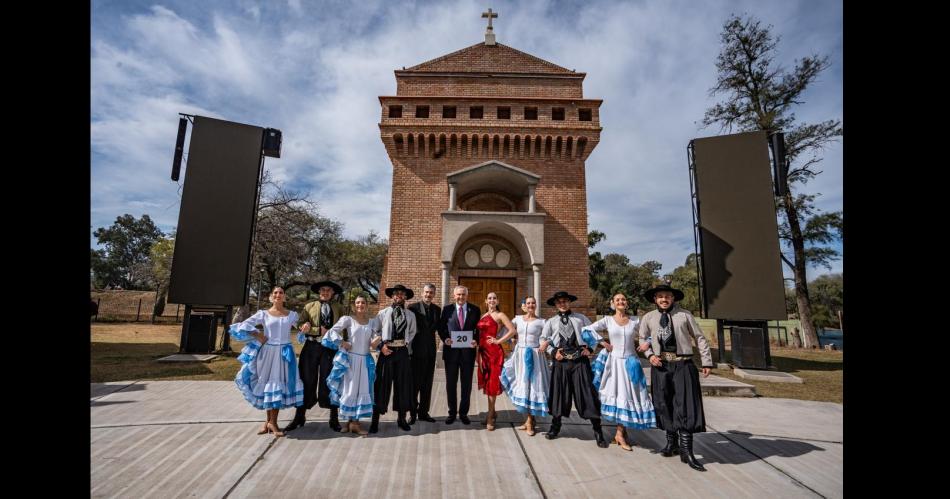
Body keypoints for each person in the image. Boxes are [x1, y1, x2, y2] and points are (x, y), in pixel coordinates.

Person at [639, 283, 714, 472]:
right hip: (661, 366)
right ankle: (671, 443)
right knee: (664, 404)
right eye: (660, 296)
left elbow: (700, 337)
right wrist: (650, 356)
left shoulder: (684, 315)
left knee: (685, 405)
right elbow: (642, 339)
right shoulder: (648, 317)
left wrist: (706, 361)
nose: (664, 299)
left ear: (673, 299)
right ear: (655, 299)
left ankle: (686, 451)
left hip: (683, 364)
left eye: (668, 296)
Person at [228, 287, 305, 438]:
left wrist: (304, 329)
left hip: (284, 354)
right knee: (269, 385)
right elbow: (242, 325)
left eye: (281, 293)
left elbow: (301, 329)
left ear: (284, 297)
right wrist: (258, 334)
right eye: (275, 293)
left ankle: (271, 422)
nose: (278, 295)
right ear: (271, 297)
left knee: (276, 386)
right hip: (268, 353)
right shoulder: (263, 314)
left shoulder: (292, 315)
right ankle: (270, 422)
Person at [585, 292, 656, 451]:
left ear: (627, 303)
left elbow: (652, 333)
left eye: (623, 299)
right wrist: (603, 342)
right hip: (614, 363)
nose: (621, 301)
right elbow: (588, 329)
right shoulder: (608, 320)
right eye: (617, 300)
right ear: (613, 303)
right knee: (619, 396)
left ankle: (620, 433)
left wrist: (646, 343)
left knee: (630, 396)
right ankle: (620, 434)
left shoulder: (635, 321)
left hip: (631, 362)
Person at [539, 291, 609, 448]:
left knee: (587, 394)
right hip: (560, 362)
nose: (562, 304)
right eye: (559, 302)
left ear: (569, 302)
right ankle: (555, 427)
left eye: (565, 301)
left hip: (580, 362)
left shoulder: (581, 318)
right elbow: (543, 339)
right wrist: (552, 351)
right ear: (555, 305)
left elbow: (593, 335)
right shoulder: (550, 322)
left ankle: (598, 431)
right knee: (559, 394)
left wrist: (590, 350)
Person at [285, 281, 346, 433]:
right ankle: (300, 415)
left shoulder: (339, 308)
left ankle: (334, 417)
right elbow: (300, 325)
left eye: (328, 290)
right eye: (323, 290)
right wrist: (314, 329)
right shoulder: (309, 306)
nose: (325, 292)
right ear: (319, 292)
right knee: (306, 379)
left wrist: (343, 343)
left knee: (331, 380)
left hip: (330, 349)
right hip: (311, 347)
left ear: (333, 292)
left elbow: (345, 327)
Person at [322, 295, 381, 436]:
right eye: (358, 303)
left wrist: (376, 341)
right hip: (351, 360)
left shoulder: (371, 322)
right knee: (349, 390)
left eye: (363, 302)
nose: (360, 305)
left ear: (367, 305)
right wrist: (342, 343)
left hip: (365, 360)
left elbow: (374, 339)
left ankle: (355, 423)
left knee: (361, 390)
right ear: (354, 305)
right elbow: (332, 332)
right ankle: (350, 422)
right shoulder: (348, 319)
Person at [370, 284, 417, 433]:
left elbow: (412, 332)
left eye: (402, 294)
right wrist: (380, 346)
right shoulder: (383, 313)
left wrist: (405, 344)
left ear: (405, 297)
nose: (399, 296)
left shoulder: (410, 315)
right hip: (386, 352)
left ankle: (401, 418)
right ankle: (375, 420)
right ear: (392, 296)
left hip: (402, 352)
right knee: (381, 385)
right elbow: (374, 331)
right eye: (396, 294)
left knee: (403, 385)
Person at [500, 296, 550, 436]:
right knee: (522, 384)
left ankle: (530, 421)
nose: (531, 305)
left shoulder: (542, 322)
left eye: (533, 303)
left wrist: (545, 343)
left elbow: (549, 336)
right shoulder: (518, 319)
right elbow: (506, 329)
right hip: (520, 355)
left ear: (536, 304)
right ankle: (529, 420)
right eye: (528, 303)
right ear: (524, 305)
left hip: (535, 355)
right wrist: (512, 339)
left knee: (533, 385)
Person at [437, 285, 480, 425]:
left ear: (467, 295)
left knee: (466, 385)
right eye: (458, 295)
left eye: (463, 294)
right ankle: (451, 413)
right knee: (451, 384)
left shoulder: (475, 309)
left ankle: (463, 413)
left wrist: (476, 340)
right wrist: (445, 339)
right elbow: (441, 328)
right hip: (451, 353)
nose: (461, 297)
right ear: (454, 296)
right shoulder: (447, 310)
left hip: (468, 354)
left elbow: (478, 330)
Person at [476, 292, 517, 431]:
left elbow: (512, 330)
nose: (492, 300)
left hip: (494, 353)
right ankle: (492, 412)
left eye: (494, 298)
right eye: (489, 298)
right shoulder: (483, 316)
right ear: (486, 301)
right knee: (487, 383)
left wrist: (498, 341)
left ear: (497, 300)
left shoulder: (500, 315)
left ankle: (490, 417)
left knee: (493, 385)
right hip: (482, 353)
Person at [407, 283, 441, 424]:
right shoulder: (412, 308)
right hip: (416, 352)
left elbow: (439, 328)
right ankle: (413, 413)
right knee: (415, 384)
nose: (428, 295)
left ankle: (424, 413)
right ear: (422, 293)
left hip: (430, 352)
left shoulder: (437, 310)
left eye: (431, 293)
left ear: (434, 294)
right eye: (426, 292)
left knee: (427, 384)